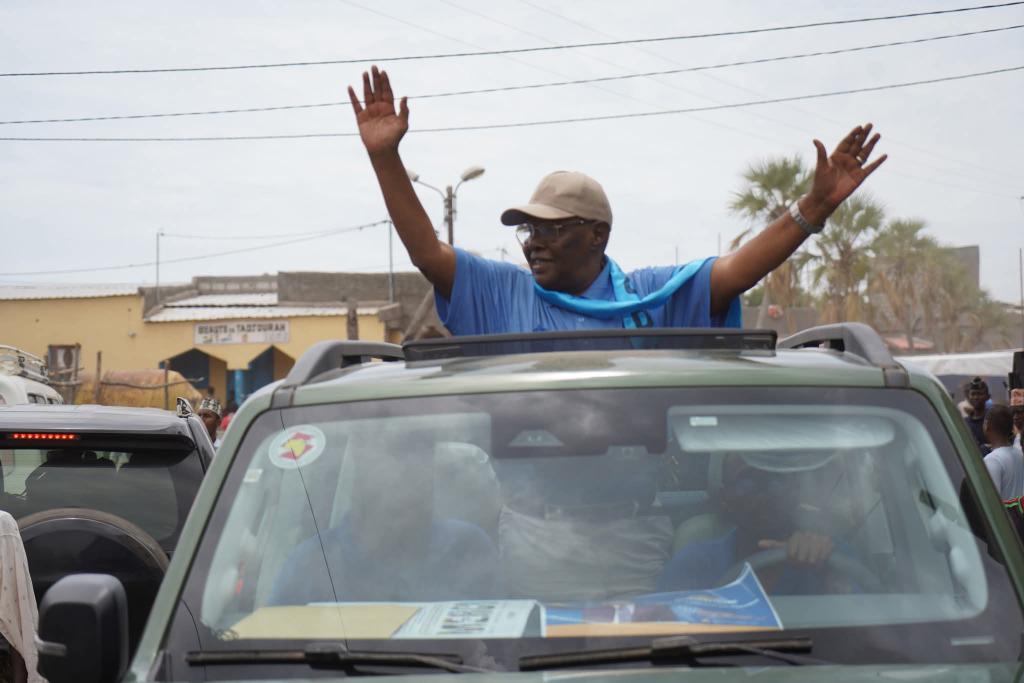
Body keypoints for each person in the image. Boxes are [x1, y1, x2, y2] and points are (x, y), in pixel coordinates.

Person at [347, 66, 887, 335]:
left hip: (637, 523)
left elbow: (733, 273)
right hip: (530, 523)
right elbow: (425, 252)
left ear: (597, 235)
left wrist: (812, 210)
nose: (534, 244)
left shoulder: (647, 299)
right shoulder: (502, 293)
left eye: (552, 230)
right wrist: (385, 159)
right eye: (529, 230)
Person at [269, 430, 498, 605]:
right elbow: (273, 655)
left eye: (421, 453)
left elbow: (500, 646)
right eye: (394, 455)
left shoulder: (466, 548)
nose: (409, 470)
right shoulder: (312, 564)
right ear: (361, 471)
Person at [983, 404, 1024, 501]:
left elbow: (992, 501)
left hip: (1005, 515)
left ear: (987, 426)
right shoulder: (1019, 454)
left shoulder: (992, 460)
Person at [963, 377, 991, 454]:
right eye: (973, 394)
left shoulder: (992, 419)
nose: (976, 397)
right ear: (968, 397)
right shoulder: (964, 423)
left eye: (979, 394)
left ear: (988, 397)